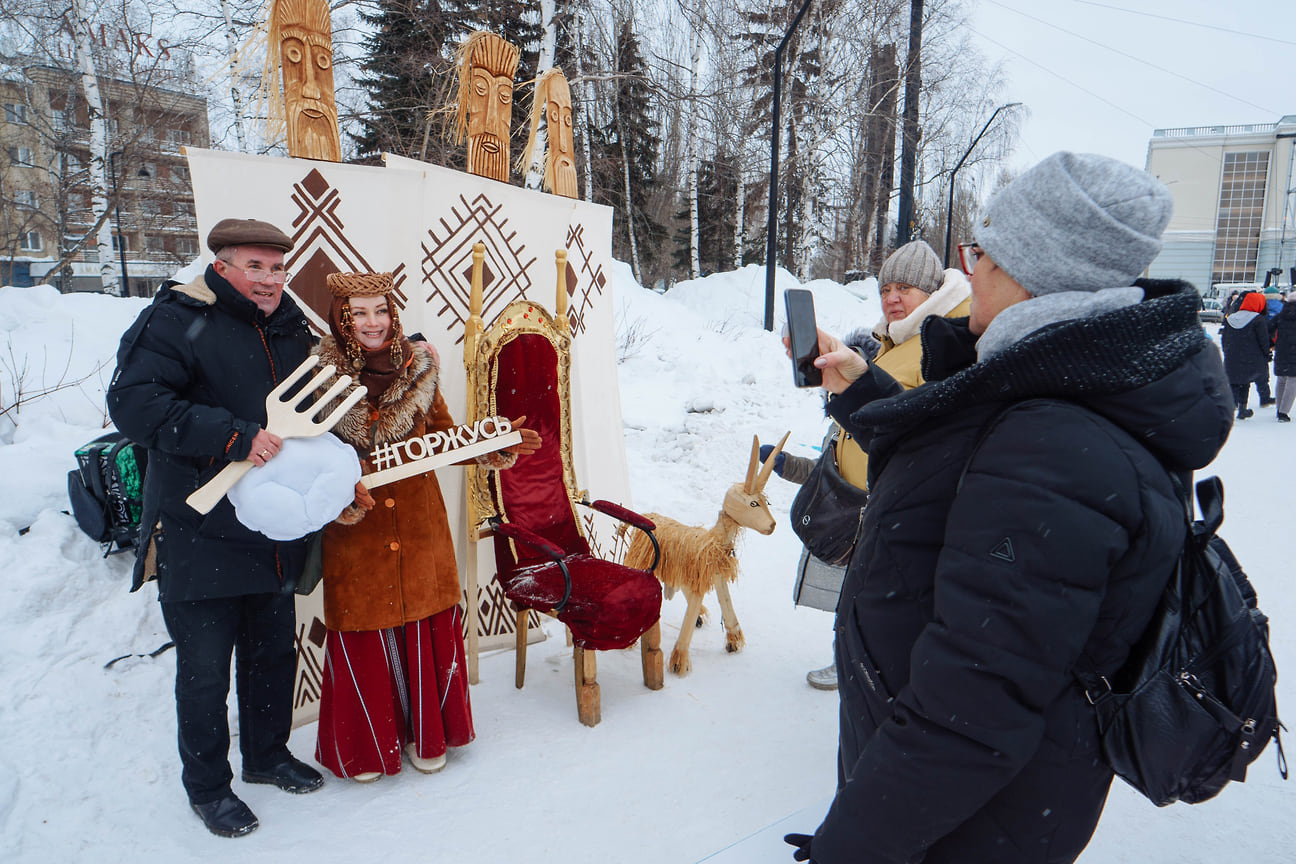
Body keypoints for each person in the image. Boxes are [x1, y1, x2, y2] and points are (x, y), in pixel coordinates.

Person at [784, 152, 1232, 864]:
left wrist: (854, 845)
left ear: (1034, 271)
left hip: (972, 826)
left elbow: (973, 709)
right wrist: (865, 394)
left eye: (982, 251)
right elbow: (955, 469)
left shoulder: (1056, 444)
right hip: (973, 804)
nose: (972, 269)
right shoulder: (1058, 386)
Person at [107, 218, 324, 838]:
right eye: (255, 267)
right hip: (197, 527)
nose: (269, 280)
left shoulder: (288, 325)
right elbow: (135, 404)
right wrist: (234, 436)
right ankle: (207, 788)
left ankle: (266, 756)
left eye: (278, 268)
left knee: (271, 653)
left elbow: (309, 407)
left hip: (272, 527)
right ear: (223, 266)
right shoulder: (177, 319)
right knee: (204, 671)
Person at [312, 271, 540, 782]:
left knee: (422, 621)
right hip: (357, 528)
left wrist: (491, 447)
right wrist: (336, 497)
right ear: (342, 319)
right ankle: (369, 744)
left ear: (395, 314)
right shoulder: (314, 381)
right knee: (366, 625)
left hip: (418, 523)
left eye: (382, 310)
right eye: (360, 313)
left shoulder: (420, 371)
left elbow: (443, 439)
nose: (374, 323)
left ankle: (427, 733)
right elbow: (306, 463)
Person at [1221, 291, 1273, 419]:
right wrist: (1267, 353)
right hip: (1251, 356)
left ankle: (1232, 405)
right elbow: (1263, 340)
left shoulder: (1230, 317)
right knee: (1245, 382)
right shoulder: (1258, 319)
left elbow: (1224, 337)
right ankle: (1242, 409)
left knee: (1233, 381)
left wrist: (1227, 351)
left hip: (1232, 355)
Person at [1273, 291, 1296, 421]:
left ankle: (1279, 408)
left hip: (1281, 350)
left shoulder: (1281, 315)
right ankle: (1284, 412)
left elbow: (1269, 328)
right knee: (1293, 380)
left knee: (1281, 379)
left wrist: (1272, 343)